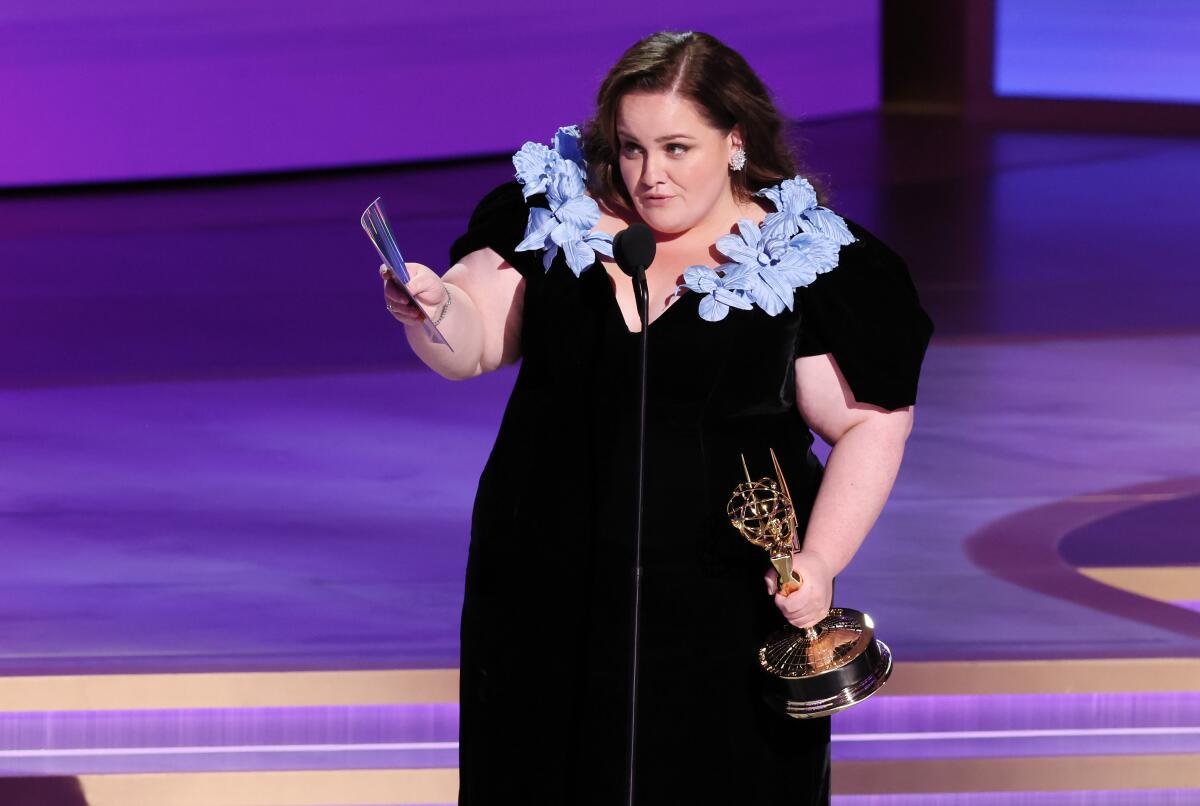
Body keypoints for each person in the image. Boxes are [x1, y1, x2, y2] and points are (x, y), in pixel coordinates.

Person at [381, 30, 932, 806]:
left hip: (722, 598)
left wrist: (820, 557)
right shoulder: (555, 213)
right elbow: (469, 341)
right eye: (632, 149)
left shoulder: (807, 258)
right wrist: (432, 309)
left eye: (678, 148)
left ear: (736, 140)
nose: (650, 176)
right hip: (544, 578)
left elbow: (870, 423)